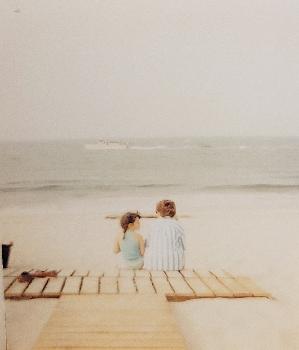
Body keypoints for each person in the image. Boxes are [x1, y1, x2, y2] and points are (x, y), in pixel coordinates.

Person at [144, 200, 185, 270]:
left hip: (153, 265)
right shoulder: (177, 225)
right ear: (174, 212)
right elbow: (184, 246)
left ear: (158, 212)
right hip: (175, 266)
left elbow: (147, 244)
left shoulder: (152, 225)